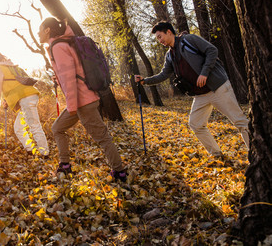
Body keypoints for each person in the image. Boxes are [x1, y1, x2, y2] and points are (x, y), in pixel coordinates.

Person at [135, 21, 249, 157]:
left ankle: (256, 152)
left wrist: (204, 73)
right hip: (200, 95)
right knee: (195, 124)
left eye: (160, 36)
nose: (159, 40)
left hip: (217, 88)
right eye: (157, 38)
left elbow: (212, 51)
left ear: (169, 32)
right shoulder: (170, 55)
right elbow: (164, 74)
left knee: (239, 121)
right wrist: (145, 81)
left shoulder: (189, 40)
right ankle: (216, 154)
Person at [38, 17, 128, 181]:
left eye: (40, 29)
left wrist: (71, 105)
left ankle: (120, 172)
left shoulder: (58, 47)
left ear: (47, 30)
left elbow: (69, 78)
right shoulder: (61, 45)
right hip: (82, 100)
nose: (38, 33)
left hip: (82, 102)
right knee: (57, 128)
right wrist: (58, 80)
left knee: (102, 137)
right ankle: (65, 165)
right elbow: (69, 73)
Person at [0, 49, 49, 156]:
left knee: (34, 125)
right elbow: (12, 84)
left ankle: (45, 154)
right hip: (29, 96)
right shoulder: (9, 66)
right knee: (18, 128)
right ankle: (31, 150)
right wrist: (6, 99)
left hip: (26, 97)